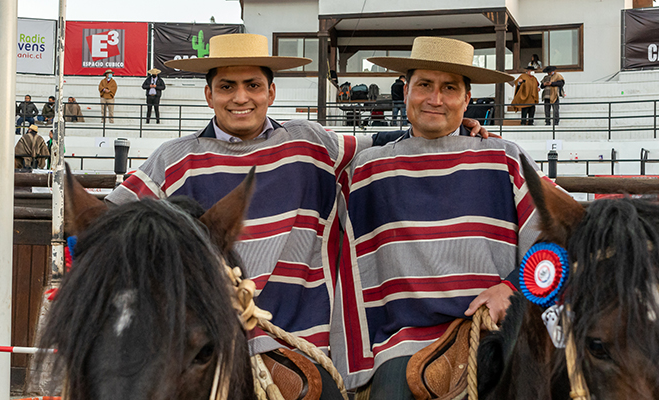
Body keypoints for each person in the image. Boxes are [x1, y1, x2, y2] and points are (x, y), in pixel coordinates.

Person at [106, 32, 495, 400]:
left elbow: (390, 140)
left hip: (303, 341)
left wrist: (461, 130)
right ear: (209, 95)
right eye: (227, 86)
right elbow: (104, 227)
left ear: (271, 92)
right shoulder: (174, 159)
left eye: (253, 85)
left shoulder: (309, 142)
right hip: (210, 343)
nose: (241, 97)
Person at [332, 37, 544, 399]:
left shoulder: (504, 159)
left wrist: (511, 287)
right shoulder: (368, 167)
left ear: (466, 99)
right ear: (406, 92)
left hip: (492, 331)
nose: (435, 99)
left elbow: (555, 235)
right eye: (424, 86)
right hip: (401, 339)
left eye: (449, 88)